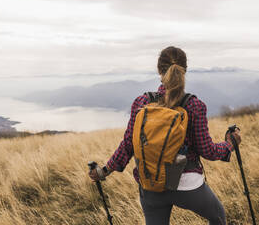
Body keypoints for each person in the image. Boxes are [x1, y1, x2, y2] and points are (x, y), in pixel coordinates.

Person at [89, 46, 241, 225]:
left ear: (158, 70)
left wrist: (105, 170)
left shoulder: (142, 102)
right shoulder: (194, 106)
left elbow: (128, 145)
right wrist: (230, 144)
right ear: (184, 71)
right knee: (218, 216)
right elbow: (207, 151)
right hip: (187, 185)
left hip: (151, 184)